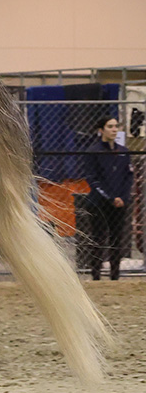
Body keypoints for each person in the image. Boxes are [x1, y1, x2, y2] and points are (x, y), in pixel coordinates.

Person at [83, 116, 133, 280]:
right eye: (110, 126)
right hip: (99, 203)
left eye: (115, 126)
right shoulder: (93, 152)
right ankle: (96, 275)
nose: (114, 129)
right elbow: (92, 179)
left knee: (116, 239)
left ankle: (115, 275)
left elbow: (128, 177)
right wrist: (110, 197)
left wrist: (123, 197)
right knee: (98, 238)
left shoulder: (123, 152)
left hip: (119, 203)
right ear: (101, 130)